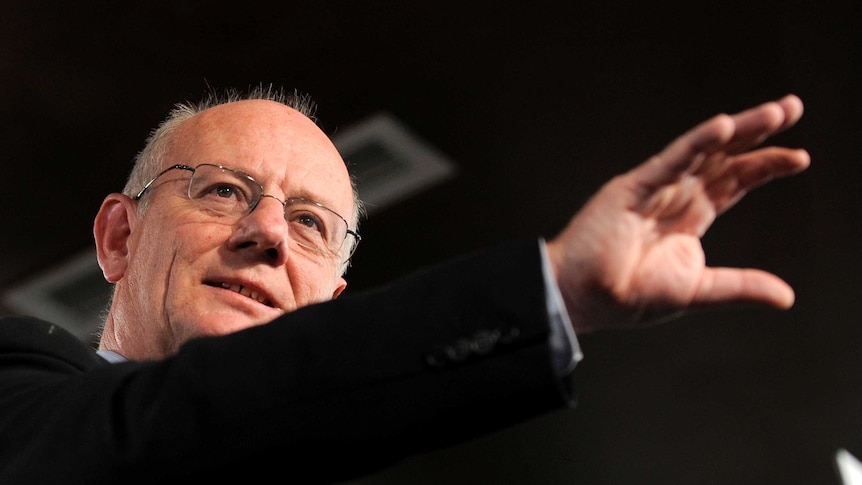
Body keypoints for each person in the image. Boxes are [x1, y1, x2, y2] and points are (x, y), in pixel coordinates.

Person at [0, 86, 809, 483]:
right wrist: (551, 289)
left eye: (313, 223)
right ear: (119, 235)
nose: (271, 232)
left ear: (330, 311)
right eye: (220, 191)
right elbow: (169, 424)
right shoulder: (19, 387)